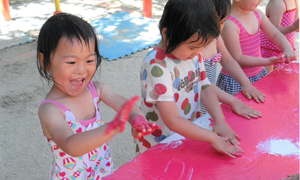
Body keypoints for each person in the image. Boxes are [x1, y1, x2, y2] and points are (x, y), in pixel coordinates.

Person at [36, 13, 160, 179]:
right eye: (71, 62)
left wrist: (138, 121)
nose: (82, 70)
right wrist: (112, 127)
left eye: (89, 60)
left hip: (103, 173)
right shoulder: (50, 110)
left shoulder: (97, 90)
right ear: (45, 62)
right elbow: (71, 145)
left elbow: (127, 107)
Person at [136, 0, 243, 158]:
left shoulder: (193, 53)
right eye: (193, 47)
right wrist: (212, 138)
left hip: (187, 134)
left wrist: (220, 120)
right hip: (160, 144)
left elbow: (205, 88)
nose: (198, 52)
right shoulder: (157, 67)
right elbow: (172, 120)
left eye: (202, 46)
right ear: (167, 35)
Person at [217, 0, 297, 95]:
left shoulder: (258, 14)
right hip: (237, 81)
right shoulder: (230, 24)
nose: (261, 0)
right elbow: (238, 58)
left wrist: (287, 48)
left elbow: (275, 34)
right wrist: (267, 61)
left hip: (259, 73)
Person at [201, 0, 263, 119]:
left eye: (222, 22)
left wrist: (246, 84)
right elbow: (201, 82)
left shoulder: (215, 37)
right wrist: (233, 101)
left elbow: (228, 60)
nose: (219, 28)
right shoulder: (191, 48)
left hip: (207, 100)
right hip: (192, 101)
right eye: (216, 22)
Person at [261, 0, 299, 73]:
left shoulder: (295, 1)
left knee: (282, 79)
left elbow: (296, 26)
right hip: (270, 49)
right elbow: (273, 31)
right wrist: (293, 27)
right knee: (268, 78)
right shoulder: (278, 3)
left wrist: (296, 26)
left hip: (286, 48)